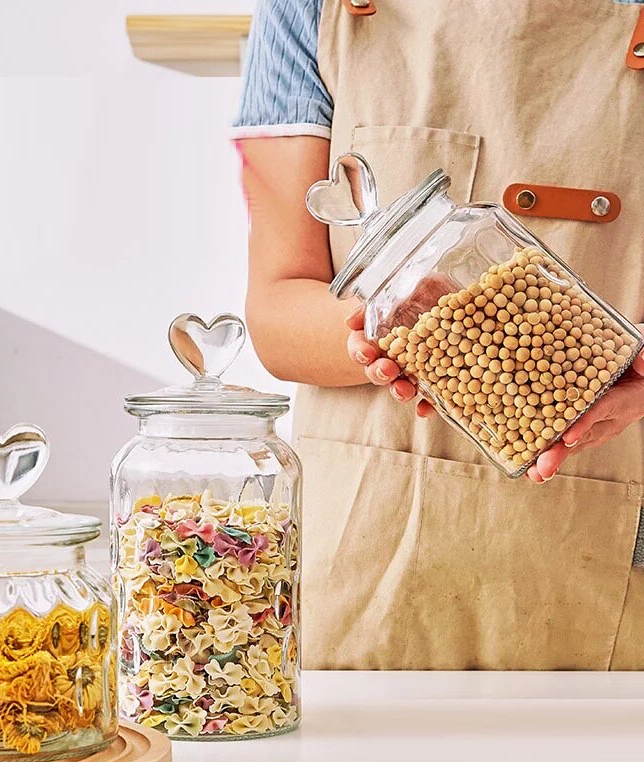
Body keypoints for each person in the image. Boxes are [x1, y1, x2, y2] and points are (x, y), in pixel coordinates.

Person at [232, 0, 644, 670]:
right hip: (370, 579)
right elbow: (276, 312)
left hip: (613, 572)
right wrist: (382, 323)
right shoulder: (309, 8)